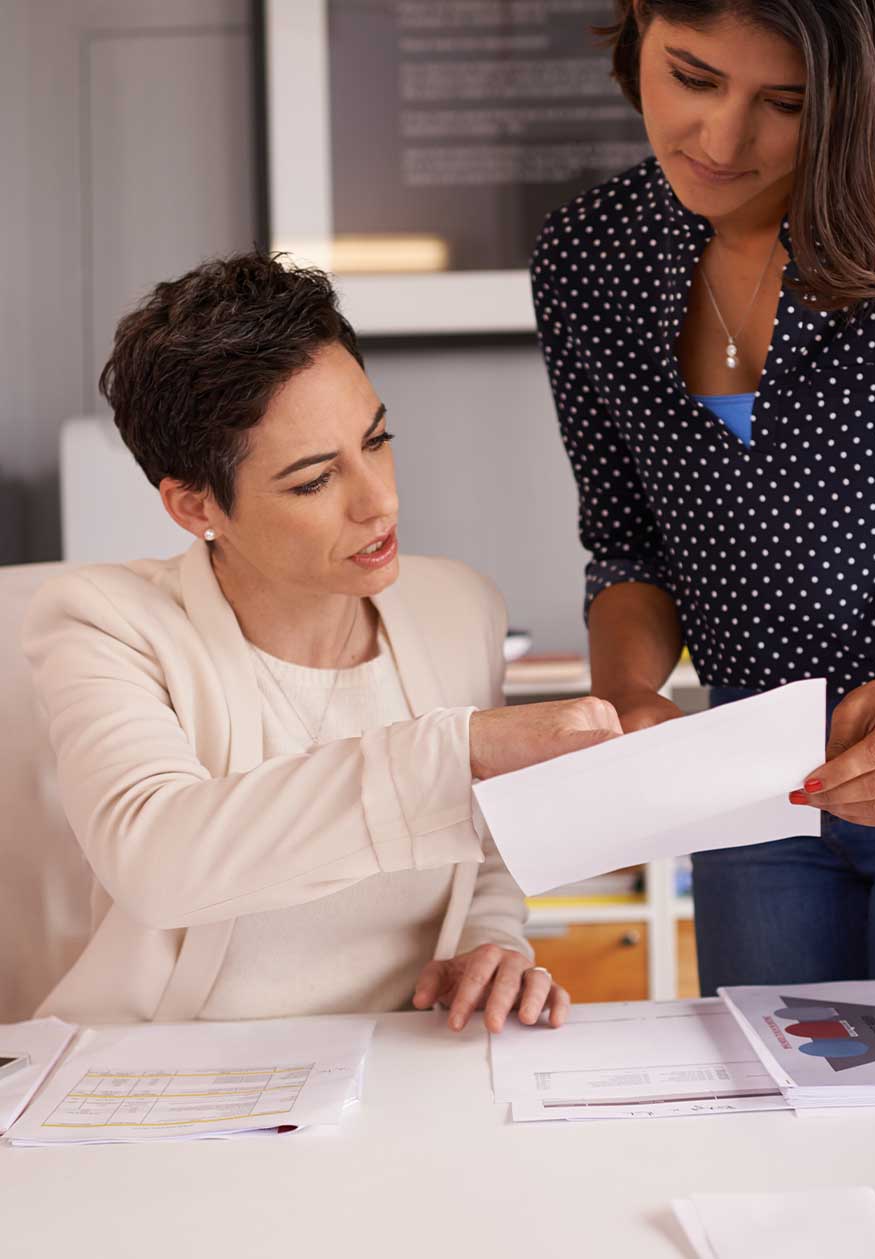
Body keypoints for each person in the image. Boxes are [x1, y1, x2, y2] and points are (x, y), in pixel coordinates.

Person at [533, 0, 875, 992]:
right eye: (691, 77)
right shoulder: (588, 255)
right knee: (762, 1117)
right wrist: (627, 696)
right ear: (637, 36)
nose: (717, 139)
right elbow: (626, 549)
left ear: (855, 98)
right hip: (748, 765)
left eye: (783, 101)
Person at [23, 252, 623, 1027]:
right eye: (314, 480)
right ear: (194, 504)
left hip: (400, 1070)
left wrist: (489, 941)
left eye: (377, 440)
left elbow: (487, 850)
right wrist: (456, 751)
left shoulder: (457, 605)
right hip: (169, 1078)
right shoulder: (102, 620)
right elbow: (156, 860)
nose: (381, 501)